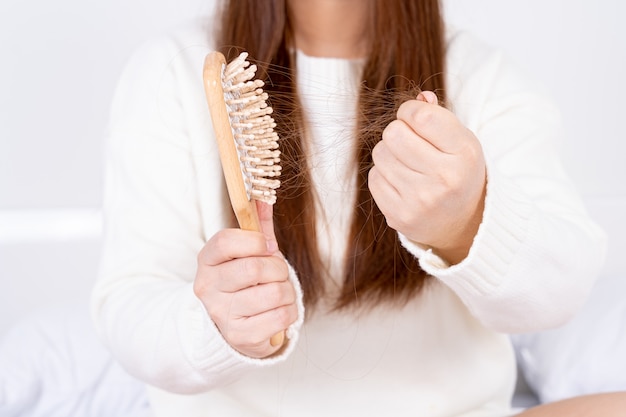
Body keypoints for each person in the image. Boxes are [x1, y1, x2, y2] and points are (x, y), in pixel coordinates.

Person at [91, 0, 625, 415]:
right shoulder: (172, 71)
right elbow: (130, 301)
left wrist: (468, 222)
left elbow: (560, 290)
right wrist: (211, 325)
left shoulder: (485, 79)